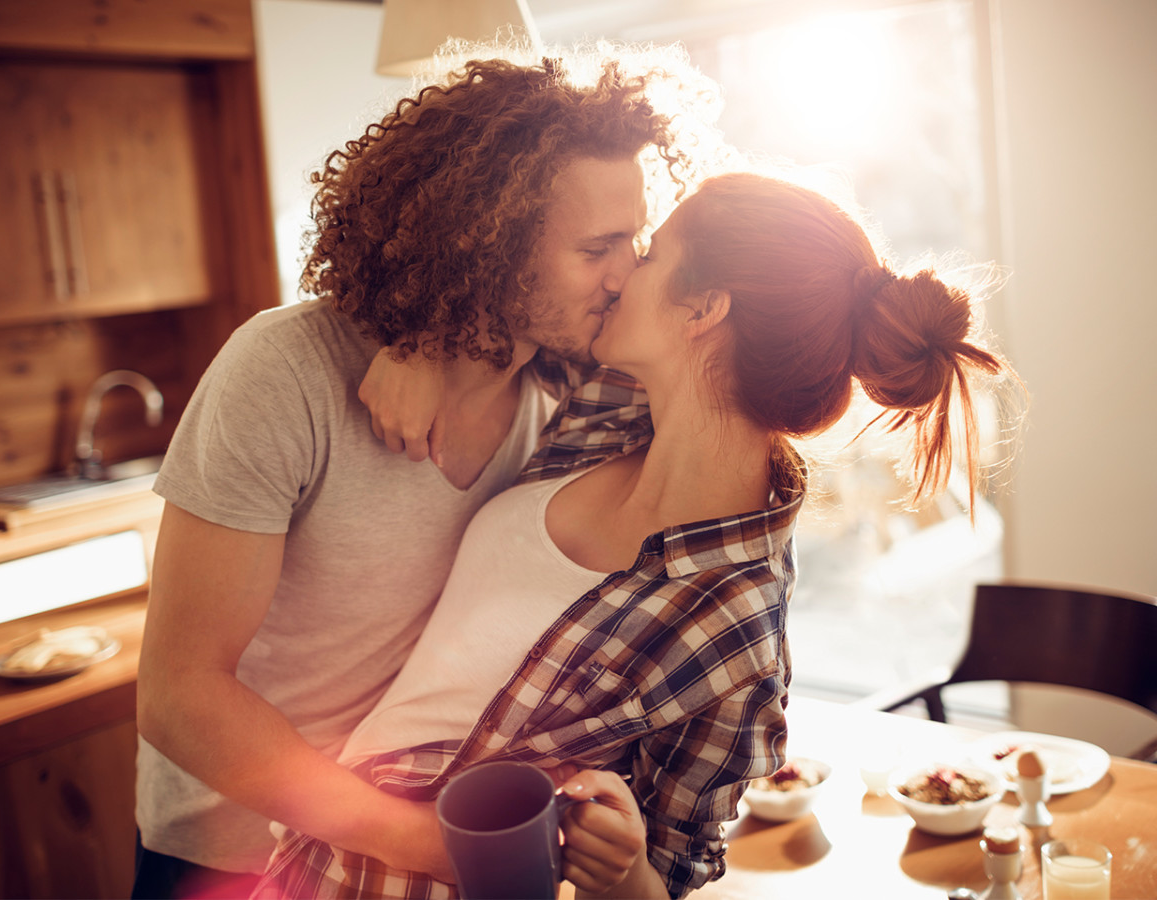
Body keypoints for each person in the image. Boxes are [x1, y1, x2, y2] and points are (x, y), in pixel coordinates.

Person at [255, 170, 1015, 899]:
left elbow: (672, 879)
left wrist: (619, 871)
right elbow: (501, 303)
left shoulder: (733, 628)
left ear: (703, 310)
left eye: (649, 254)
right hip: (307, 861)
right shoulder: (614, 403)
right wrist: (420, 345)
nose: (621, 274)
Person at [132, 45, 720, 899]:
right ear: (482, 245)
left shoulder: (573, 388)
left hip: (396, 855)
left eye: (632, 238)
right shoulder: (286, 371)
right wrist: (423, 839)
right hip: (232, 855)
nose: (623, 274)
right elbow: (180, 696)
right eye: (597, 247)